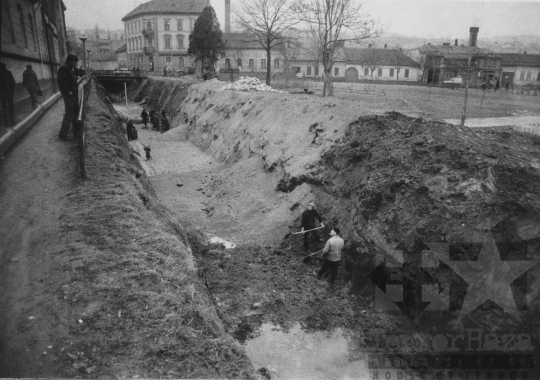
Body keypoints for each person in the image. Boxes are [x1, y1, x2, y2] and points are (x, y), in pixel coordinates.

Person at [57, 54, 79, 140]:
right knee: (69, 114)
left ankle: (75, 132)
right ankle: (62, 135)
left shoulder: (70, 68)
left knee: (75, 113)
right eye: (74, 62)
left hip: (74, 95)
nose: (75, 64)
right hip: (69, 96)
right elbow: (61, 81)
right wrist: (68, 91)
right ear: (70, 61)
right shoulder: (64, 68)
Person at [0, 62, 16, 128]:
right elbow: (13, 82)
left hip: (2, 92)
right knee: (10, 104)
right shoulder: (8, 72)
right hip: (9, 92)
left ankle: (5, 119)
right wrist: (12, 90)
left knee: (4, 105)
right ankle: (12, 118)